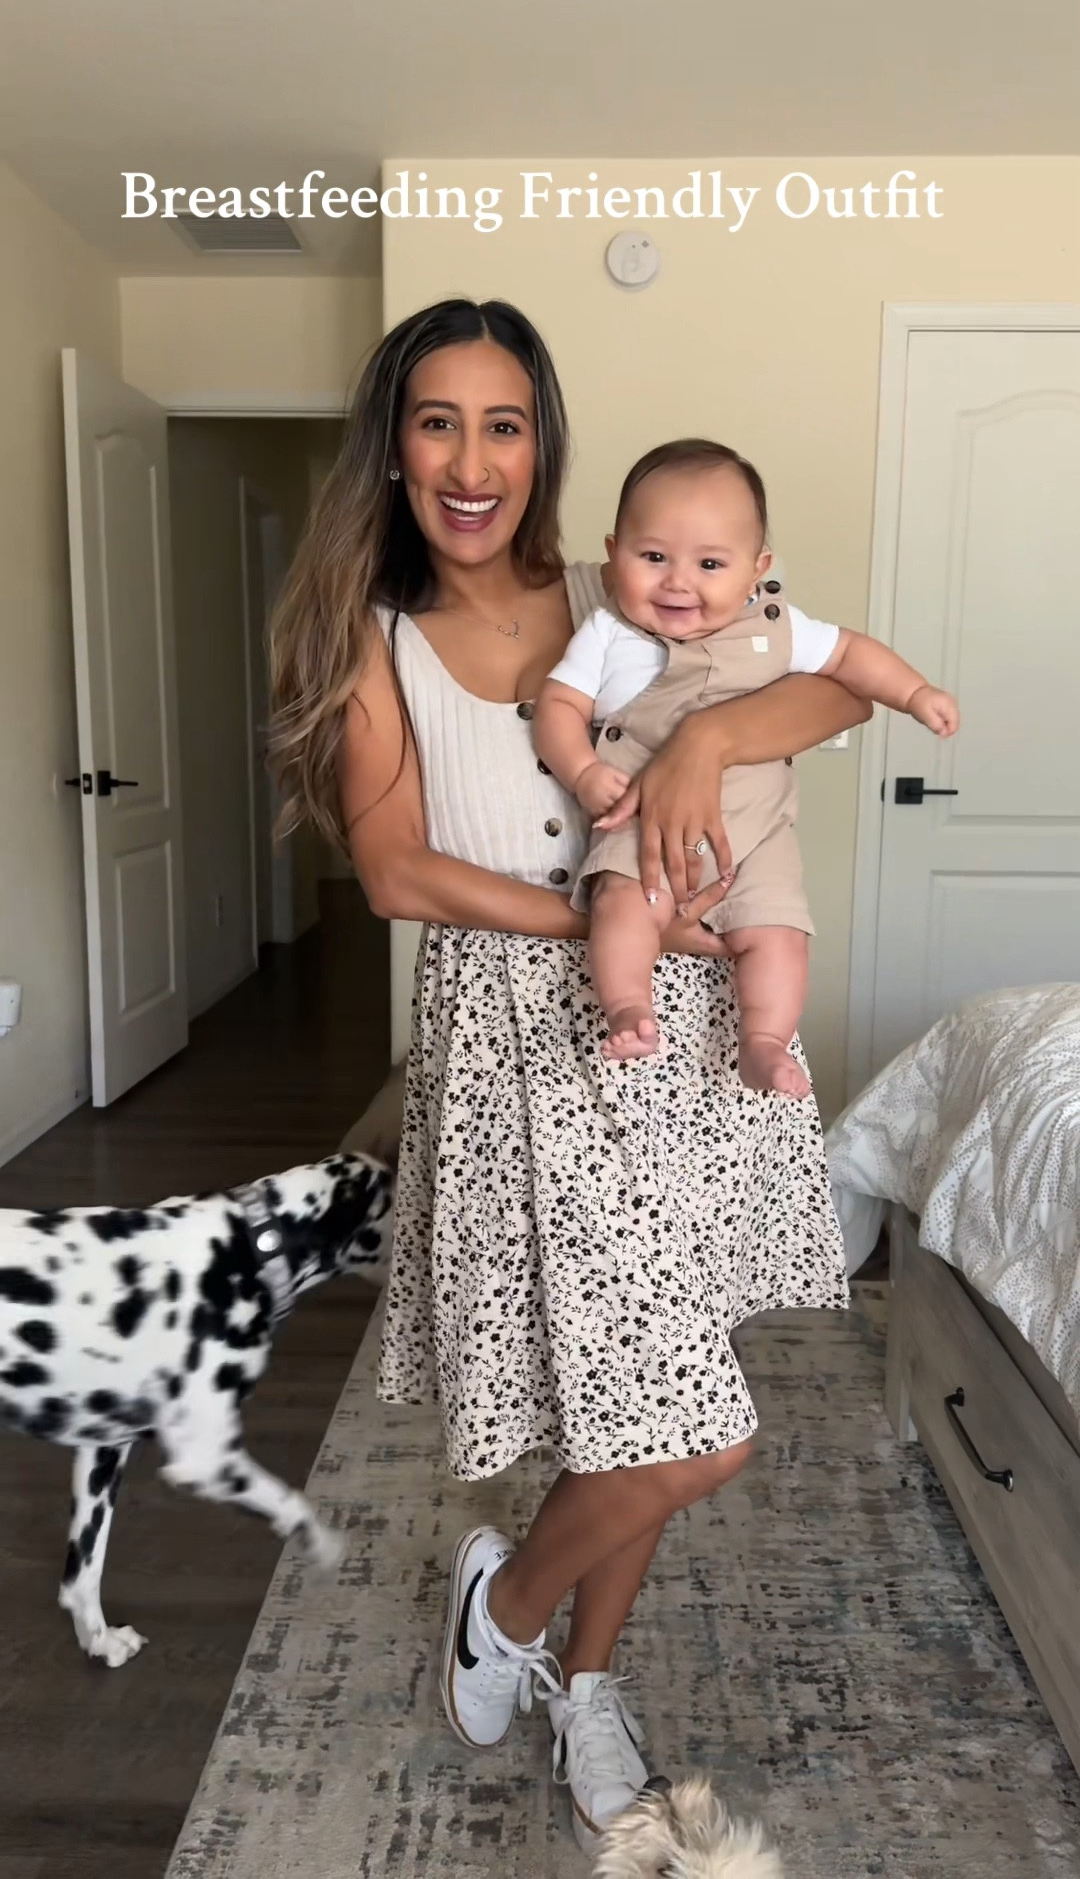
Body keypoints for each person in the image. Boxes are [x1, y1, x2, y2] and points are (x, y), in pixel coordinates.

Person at [268, 298, 870, 1853]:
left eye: (506, 423)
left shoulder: (635, 579)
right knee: (691, 1427)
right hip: (527, 1040)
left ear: (544, 443)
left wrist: (691, 748)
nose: (473, 462)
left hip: (676, 1040)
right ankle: (513, 1609)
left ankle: (578, 1672)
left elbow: (836, 689)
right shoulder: (374, 643)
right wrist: (609, 912)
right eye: (438, 422)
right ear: (393, 449)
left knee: (645, 1397)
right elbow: (397, 874)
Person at [534, 438, 958, 1089]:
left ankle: (764, 1041)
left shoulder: (777, 628)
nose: (678, 581)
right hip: (645, 820)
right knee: (623, 904)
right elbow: (558, 708)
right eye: (653, 557)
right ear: (614, 554)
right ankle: (627, 1007)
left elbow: (852, 659)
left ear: (756, 569)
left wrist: (915, 693)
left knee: (781, 934)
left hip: (756, 837)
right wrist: (586, 773)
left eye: (709, 563)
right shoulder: (609, 633)